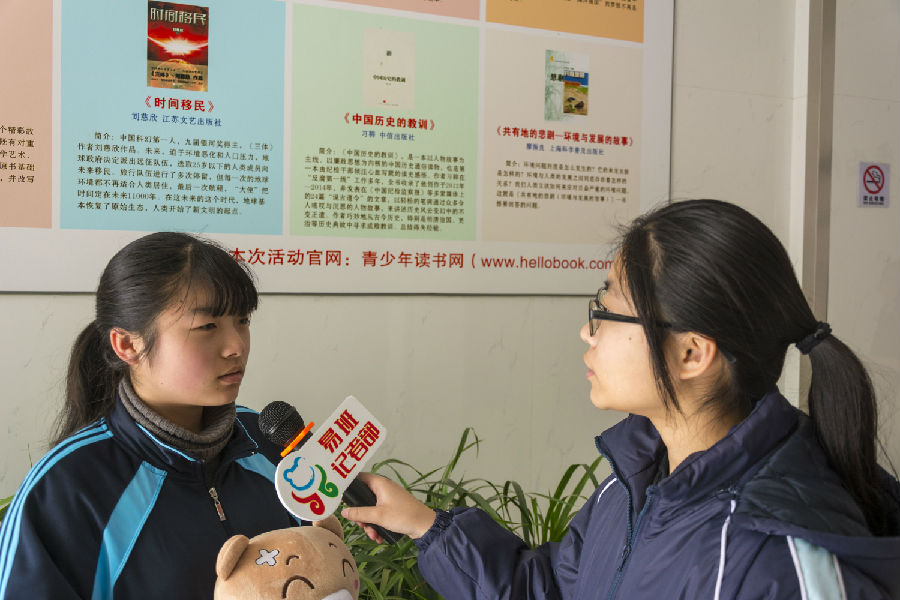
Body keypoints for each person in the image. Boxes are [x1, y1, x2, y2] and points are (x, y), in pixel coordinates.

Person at [343, 199, 900, 599]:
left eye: (607, 312)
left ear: (691, 353)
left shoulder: (775, 563)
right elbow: (555, 587)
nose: (587, 332)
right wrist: (426, 525)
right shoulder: (642, 473)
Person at [0, 232, 301, 599]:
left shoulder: (266, 438)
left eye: (243, 320)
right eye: (207, 326)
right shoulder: (64, 490)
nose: (236, 346)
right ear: (128, 344)